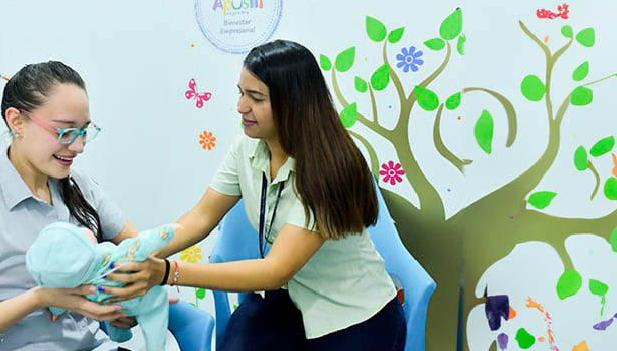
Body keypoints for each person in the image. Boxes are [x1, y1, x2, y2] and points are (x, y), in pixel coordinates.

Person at [102, 40, 407, 350]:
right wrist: (139, 254)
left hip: (352, 313)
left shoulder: (328, 171)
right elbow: (201, 217)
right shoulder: (245, 149)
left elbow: (275, 270)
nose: (240, 106)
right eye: (241, 92)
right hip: (286, 302)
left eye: (256, 98)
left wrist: (167, 272)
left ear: (294, 104)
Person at [0, 61, 142, 351]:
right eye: (65, 131)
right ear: (16, 121)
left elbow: (140, 249)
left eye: (84, 131)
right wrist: (38, 298)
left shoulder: (79, 186)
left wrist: (126, 303)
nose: (79, 146)